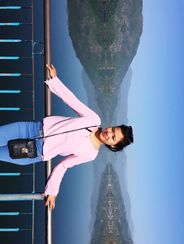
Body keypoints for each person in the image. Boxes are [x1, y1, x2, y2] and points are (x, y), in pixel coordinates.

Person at [0, 64, 133, 210]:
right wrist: (55, 81)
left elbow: (63, 166)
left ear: (113, 146)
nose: (109, 133)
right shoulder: (94, 120)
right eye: (113, 129)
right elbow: (72, 101)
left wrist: (52, 192)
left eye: (113, 137)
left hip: (32, 153)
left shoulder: (91, 154)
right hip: (31, 129)